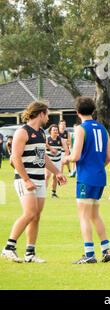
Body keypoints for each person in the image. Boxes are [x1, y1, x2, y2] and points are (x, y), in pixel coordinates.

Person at [1, 101, 67, 263]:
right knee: (29, 213)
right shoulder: (22, 132)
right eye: (47, 114)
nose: (48, 117)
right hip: (26, 180)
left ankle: (30, 253)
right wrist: (26, 179)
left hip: (38, 179)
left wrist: (57, 172)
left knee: (36, 216)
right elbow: (15, 157)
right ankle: (9, 248)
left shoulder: (42, 133)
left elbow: (42, 157)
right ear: (41, 114)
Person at [62, 96, 110, 264]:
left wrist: (66, 159)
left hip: (86, 177)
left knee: (83, 215)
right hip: (100, 176)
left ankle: (89, 254)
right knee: (95, 215)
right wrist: (98, 166)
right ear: (93, 110)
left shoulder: (81, 129)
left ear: (77, 112)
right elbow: (108, 157)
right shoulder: (103, 129)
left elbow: (76, 155)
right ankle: (107, 250)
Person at [45, 124, 69, 198]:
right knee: (47, 176)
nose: (56, 131)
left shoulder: (60, 139)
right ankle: (43, 193)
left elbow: (67, 150)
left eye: (56, 130)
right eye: (54, 130)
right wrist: (50, 148)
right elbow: (43, 145)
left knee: (55, 177)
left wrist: (65, 158)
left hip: (57, 161)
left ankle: (53, 193)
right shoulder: (47, 139)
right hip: (49, 161)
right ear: (50, 131)